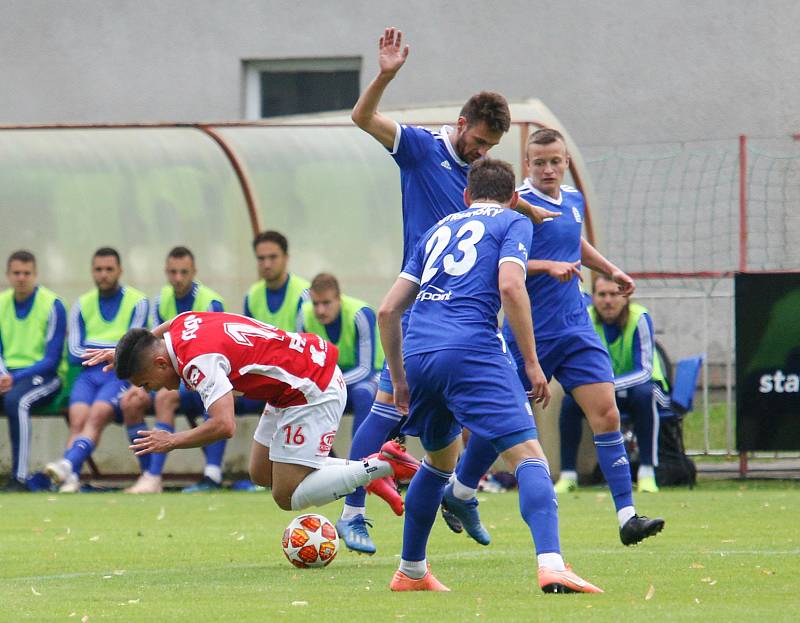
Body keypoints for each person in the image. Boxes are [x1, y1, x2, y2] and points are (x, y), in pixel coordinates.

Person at [338, 26, 559, 554]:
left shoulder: (481, 179)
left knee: (506, 404)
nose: (481, 151)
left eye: (490, 146)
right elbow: (362, 118)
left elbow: (499, 203)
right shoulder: (419, 148)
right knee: (391, 404)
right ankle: (353, 510)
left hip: (473, 311)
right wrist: (385, 77)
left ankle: (459, 493)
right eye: (478, 141)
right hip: (425, 303)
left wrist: (532, 212)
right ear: (461, 124)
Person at [379, 158, 601, 593]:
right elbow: (511, 287)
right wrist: (533, 363)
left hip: (421, 350)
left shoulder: (437, 230)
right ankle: (552, 564)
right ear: (514, 198)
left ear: (466, 196)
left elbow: (388, 309)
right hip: (471, 349)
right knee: (529, 456)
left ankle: (411, 570)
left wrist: (399, 378)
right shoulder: (513, 222)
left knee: (439, 462)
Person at [448, 128, 664, 547]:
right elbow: (503, 269)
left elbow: (575, 243)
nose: (549, 169)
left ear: (566, 162)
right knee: (501, 428)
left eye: (556, 161)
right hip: (530, 336)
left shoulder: (573, 200)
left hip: (575, 327)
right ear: (527, 165)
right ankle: (459, 491)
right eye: (540, 162)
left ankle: (627, 516)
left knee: (607, 414)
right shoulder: (519, 210)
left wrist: (609, 269)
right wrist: (547, 266)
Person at [87, 311, 420, 514]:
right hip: (286, 385)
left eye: (147, 382)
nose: (151, 390)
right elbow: (168, 326)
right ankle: (372, 474)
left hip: (310, 386)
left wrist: (171, 441)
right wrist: (122, 352)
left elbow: (224, 424)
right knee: (262, 472)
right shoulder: (184, 328)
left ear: (162, 363)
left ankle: (382, 465)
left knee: (286, 496)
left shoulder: (198, 363)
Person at [121, 246, 226, 494]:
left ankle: (211, 475)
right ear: (166, 272)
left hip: (207, 376)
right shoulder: (160, 301)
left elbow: (212, 351)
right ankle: (149, 474)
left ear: (194, 272)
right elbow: (152, 347)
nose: (178, 278)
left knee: (167, 397)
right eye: (173, 272)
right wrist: (139, 385)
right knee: (130, 402)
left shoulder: (210, 301)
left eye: (183, 272)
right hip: (174, 375)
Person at [44, 247, 149, 493]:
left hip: (118, 372)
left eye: (109, 269)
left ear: (120, 271)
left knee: (97, 415)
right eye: (98, 269)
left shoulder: (138, 301)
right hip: (88, 374)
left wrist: (105, 351)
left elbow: (134, 345)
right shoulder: (82, 304)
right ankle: (71, 479)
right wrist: (114, 347)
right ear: (92, 271)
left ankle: (67, 464)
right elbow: (73, 350)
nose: (103, 275)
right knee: (78, 419)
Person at [554, 275, 670, 494]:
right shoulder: (585, 318)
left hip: (644, 387)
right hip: (606, 391)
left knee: (645, 395)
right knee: (570, 402)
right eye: (602, 294)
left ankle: (647, 471)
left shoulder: (640, 318)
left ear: (625, 296)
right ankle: (568, 474)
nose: (608, 300)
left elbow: (645, 370)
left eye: (614, 294)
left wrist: (605, 386)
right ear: (593, 297)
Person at [0, 251, 67, 492]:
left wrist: (13, 378)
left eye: (26, 273)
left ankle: (18, 477)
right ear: (8, 275)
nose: (21, 278)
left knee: (16, 401)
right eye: (16, 273)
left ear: (35, 275)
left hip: (43, 377)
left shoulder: (52, 305)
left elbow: (52, 359)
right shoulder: (1, 303)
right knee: (11, 395)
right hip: (8, 375)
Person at [296, 273, 383, 439]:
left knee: (363, 393)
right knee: (300, 397)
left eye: (326, 303)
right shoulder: (304, 315)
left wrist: (326, 383)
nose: (320, 310)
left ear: (338, 299)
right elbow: (303, 362)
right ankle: (320, 461)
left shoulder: (360, 314)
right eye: (315, 303)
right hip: (331, 377)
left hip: (370, 375)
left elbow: (366, 368)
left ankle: (358, 459)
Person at [244, 230, 309, 330]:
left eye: (273, 257)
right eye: (261, 258)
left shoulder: (304, 293)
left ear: (286, 258)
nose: (267, 265)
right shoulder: (251, 295)